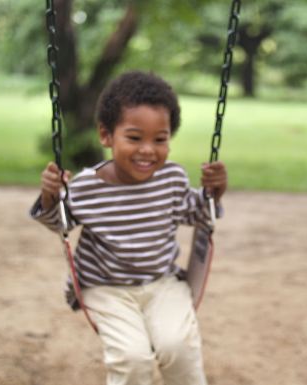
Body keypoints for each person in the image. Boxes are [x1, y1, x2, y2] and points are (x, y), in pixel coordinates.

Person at [30, 71, 227, 385]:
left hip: (162, 282)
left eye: (159, 139)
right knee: (133, 358)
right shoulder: (86, 187)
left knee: (178, 347)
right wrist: (50, 195)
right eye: (135, 138)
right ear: (106, 136)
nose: (148, 150)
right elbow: (60, 224)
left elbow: (201, 215)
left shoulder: (171, 179)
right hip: (105, 288)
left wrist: (215, 191)